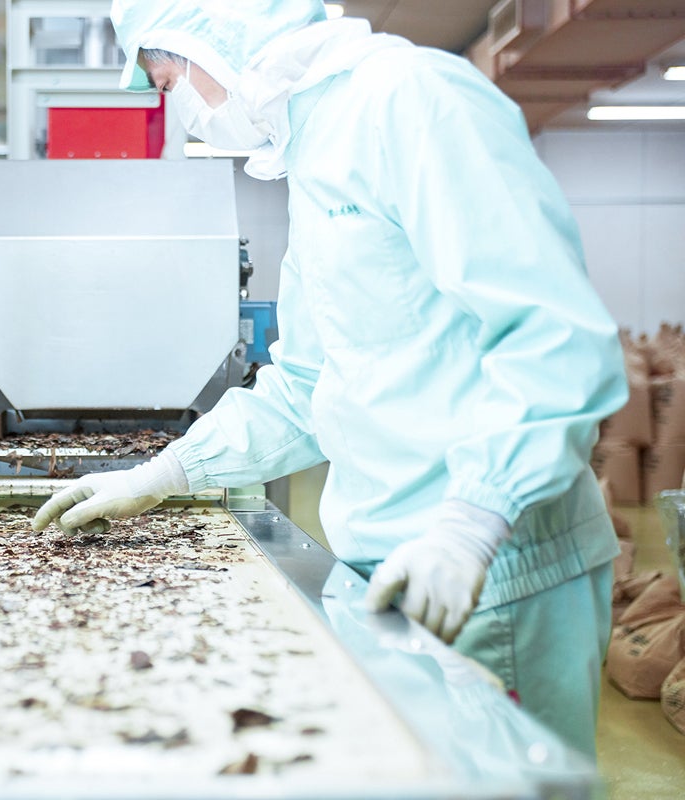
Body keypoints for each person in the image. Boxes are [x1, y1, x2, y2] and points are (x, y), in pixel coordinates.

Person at [32, 0, 628, 761]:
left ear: (211, 31)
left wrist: (475, 519)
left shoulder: (412, 100)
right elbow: (309, 384)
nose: (179, 110)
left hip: (492, 569)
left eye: (167, 82)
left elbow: (554, 334)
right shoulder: (313, 153)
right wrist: (165, 473)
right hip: (389, 567)